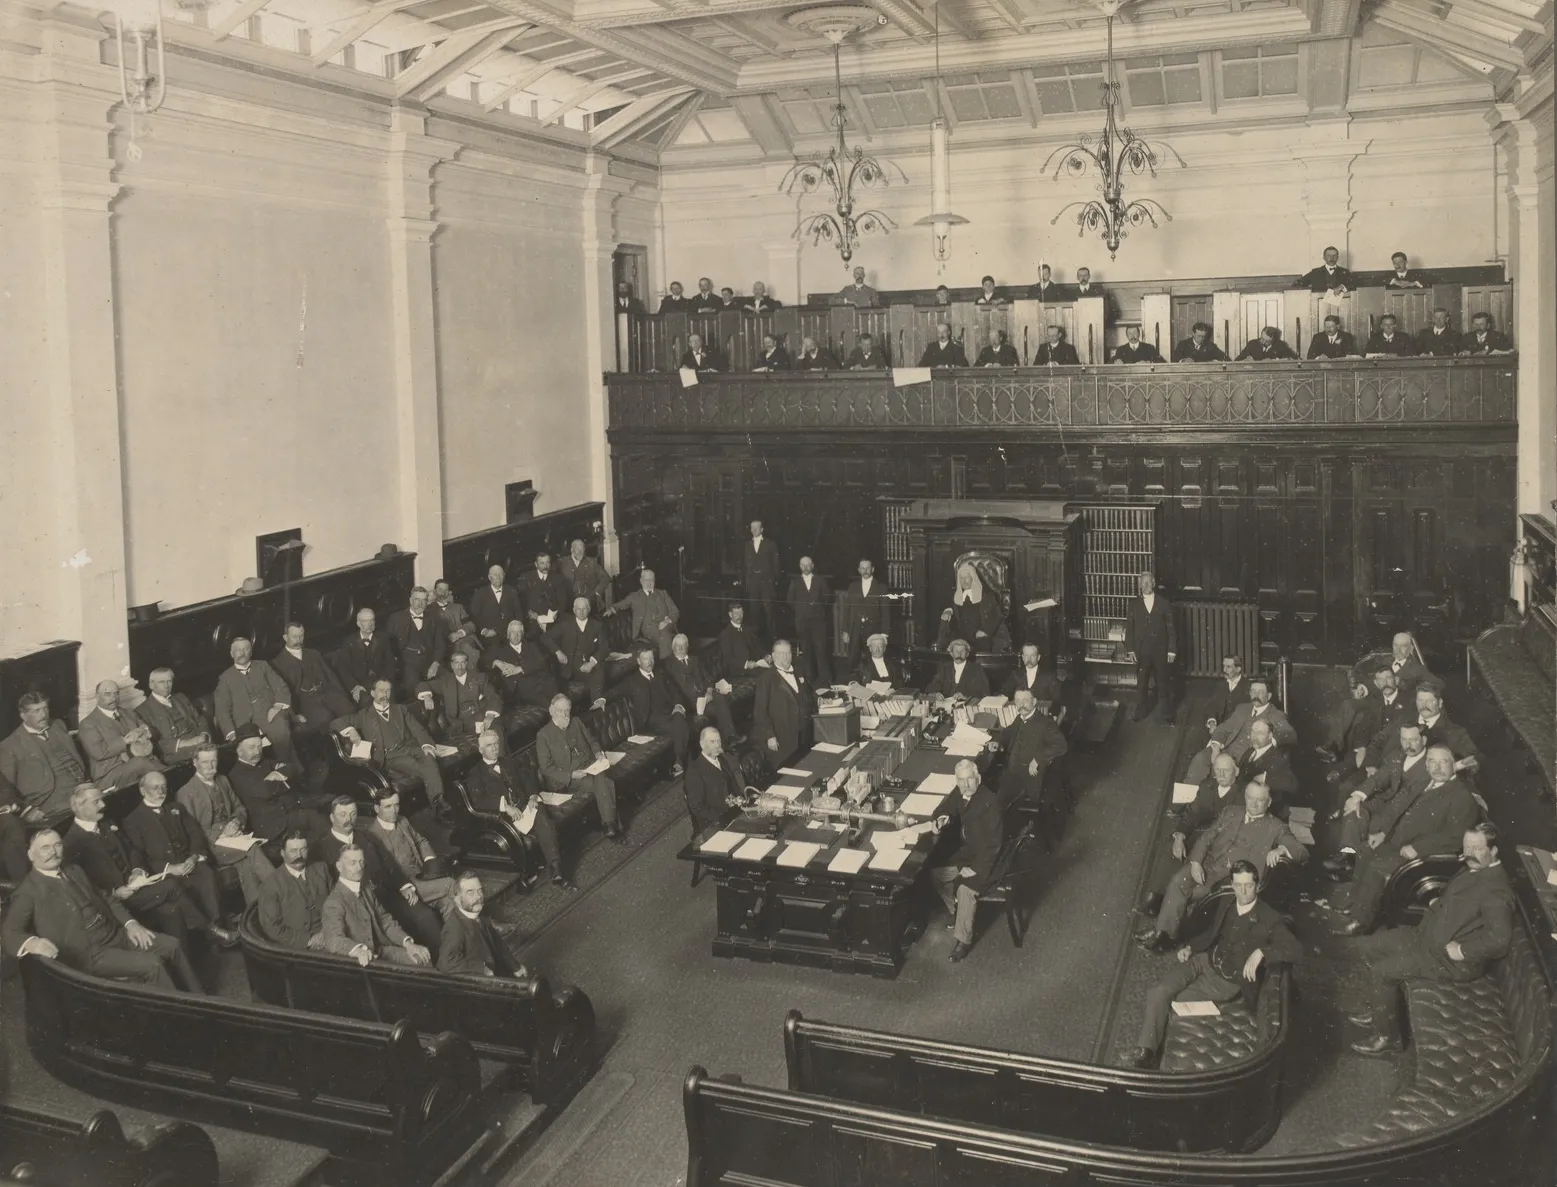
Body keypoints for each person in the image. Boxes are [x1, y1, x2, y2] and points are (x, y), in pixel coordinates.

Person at [1348, 823, 1512, 1056]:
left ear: (1494, 851)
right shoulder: (1474, 867)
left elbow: (1500, 940)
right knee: (1366, 946)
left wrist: (1463, 950)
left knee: (1381, 972)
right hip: (1424, 938)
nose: (1468, 854)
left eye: (1477, 849)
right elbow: (1461, 903)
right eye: (1466, 847)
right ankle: (1379, 1010)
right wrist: (1439, 904)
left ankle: (1388, 1038)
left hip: (1449, 961)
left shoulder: (1497, 891)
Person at [1122, 860, 1300, 1068]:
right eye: (1238, 885)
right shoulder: (1227, 903)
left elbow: (1295, 949)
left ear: (1257, 885)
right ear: (1232, 885)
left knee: (1174, 1002)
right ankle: (1146, 1052)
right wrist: (1191, 947)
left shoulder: (1270, 918)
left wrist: (1262, 952)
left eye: (1248, 886)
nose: (1243, 892)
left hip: (1225, 982)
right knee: (1159, 992)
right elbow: (1212, 933)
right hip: (1204, 960)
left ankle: (1149, 1056)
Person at [2, 828, 199, 992]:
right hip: (89, 953)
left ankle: (204, 1003)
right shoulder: (28, 891)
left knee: (172, 945)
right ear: (30, 854)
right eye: (45, 848)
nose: (53, 852)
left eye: (57, 844)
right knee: (152, 964)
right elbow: (9, 932)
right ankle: (181, 1021)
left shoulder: (74, 870)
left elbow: (107, 899)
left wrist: (131, 924)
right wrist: (32, 943)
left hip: (116, 934)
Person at [1327, 747, 1479, 936]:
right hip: (1397, 841)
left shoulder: (1461, 797)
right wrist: (1382, 832)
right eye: (1432, 761)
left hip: (1423, 854)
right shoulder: (1424, 781)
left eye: (1444, 762)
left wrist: (1417, 848)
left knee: (1377, 867)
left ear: (1453, 765)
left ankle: (1360, 921)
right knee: (1364, 851)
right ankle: (1354, 905)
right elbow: (1397, 807)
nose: (1437, 767)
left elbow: (1455, 838)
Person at [1135, 783, 1304, 951]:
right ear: (1245, 797)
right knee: (1178, 881)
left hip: (1227, 881)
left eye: (1259, 800)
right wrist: (1195, 862)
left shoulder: (1276, 827)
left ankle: (1163, 934)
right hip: (1206, 865)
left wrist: (1281, 849)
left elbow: (1301, 852)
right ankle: (1163, 932)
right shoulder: (1231, 811)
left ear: (1269, 802)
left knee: (1183, 893)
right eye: (1250, 798)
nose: (1253, 804)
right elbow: (1207, 837)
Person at [64, 782, 227, 948]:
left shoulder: (107, 823)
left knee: (173, 909)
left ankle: (186, 956)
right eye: (96, 802)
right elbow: (84, 886)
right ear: (79, 807)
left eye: (101, 800)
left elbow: (132, 850)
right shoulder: (71, 843)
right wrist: (114, 892)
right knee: (171, 885)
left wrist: (137, 869)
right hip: (118, 901)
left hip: (139, 886)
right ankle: (210, 931)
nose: (103, 805)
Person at [311, 796, 443, 949]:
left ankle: (445, 962)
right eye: (343, 814)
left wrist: (405, 886)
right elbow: (323, 889)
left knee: (425, 917)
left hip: (386, 895)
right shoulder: (320, 848)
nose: (349, 819)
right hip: (357, 904)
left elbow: (389, 865)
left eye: (353, 814)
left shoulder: (367, 837)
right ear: (332, 817)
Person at [121, 771, 233, 939]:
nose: (161, 791)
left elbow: (195, 833)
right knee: (178, 888)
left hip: (188, 862)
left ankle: (218, 926)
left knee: (207, 874)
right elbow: (138, 856)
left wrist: (194, 856)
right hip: (163, 872)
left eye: (164, 787)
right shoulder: (133, 820)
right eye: (155, 788)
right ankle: (213, 934)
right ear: (143, 790)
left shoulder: (176, 808)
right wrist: (169, 868)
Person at [464, 728, 576, 890]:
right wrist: (505, 807)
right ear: (481, 750)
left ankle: (556, 868)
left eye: (496, 744)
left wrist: (531, 796)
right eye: (489, 745)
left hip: (524, 807)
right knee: (539, 818)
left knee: (542, 815)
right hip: (504, 817)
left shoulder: (508, 762)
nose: (494, 748)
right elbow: (479, 801)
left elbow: (527, 779)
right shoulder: (475, 773)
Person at [1326, 721, 1432, 879]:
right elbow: (1378, 778)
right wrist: (1357, 796)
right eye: (1403, 740)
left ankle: (1356, 867)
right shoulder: (1397, 755)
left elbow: (1407, 800)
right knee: (1355, 808)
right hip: (1386, 801)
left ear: (1423, 740)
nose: (1407, 745)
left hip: (1409, 810)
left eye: (1413, 740)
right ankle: (1348, 858)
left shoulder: (1431, 763)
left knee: (1375, 822)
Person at [176, 743, 277, 904]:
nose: (210, 766)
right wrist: (221, 833)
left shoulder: (223, 780)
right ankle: (285, 890)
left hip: (235, 838)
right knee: (252, 849)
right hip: (212, 845)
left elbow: (240, 808)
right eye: (205, 762)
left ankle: (258, 913)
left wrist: (236, 822)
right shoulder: (186, 793)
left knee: (245, 865)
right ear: (195, 763)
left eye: (213, 761)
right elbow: (192, 831)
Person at [332, 679, 449, 814]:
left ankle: (438, 802)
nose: (385, 694)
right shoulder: (364, 715)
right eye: (381, 690)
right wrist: (351, 730)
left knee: (429, 757)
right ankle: (439, 806)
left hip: (409, 748)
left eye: (388, 691)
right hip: (391, 757)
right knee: (423, 768)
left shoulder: (400, 709)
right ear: (372, 693)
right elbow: (336, 722)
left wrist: (427, 745)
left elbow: (418, 729)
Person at [929, 760, 1003, 963]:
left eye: (969, 779)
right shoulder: (961, 793)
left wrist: (976, 869)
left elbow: (994, 844)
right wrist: (941, 818)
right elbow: (946, 807)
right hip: (970, 852)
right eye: (961, 780)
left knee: (965, 889)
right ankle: (958, 911)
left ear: (977, 778)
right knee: (936, 874)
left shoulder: (989, 802)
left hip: (987, 860)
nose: (966, 784)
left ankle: (963, 941)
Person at [321, 843, 432, 967]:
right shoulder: (334, 902)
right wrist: (357, 951)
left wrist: (408, 944)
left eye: (361, 862)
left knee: (423, 960)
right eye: (352, 863)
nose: (359, 867)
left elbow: (385, 922)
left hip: (380, 951)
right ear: (339, 866)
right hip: (359, 961)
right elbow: (334, 939)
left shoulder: (367, 890)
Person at [536, 693, 623, 839]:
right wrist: (571, 775)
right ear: (552, 711)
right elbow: (546, 768)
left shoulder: (576, 722)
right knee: (605, 781)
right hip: (569, 778)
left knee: (601, 778)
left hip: (589, 766)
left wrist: (598, 754)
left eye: (567, 710)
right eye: (560, 711)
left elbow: (592, 742)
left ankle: (610, 823)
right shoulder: (543, 735)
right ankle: (612, 824)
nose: (565, 714)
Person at [1182, 676, 1294, 784]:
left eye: (1260, 692)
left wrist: (1268, 742)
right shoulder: (1242, 708)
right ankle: (1190, 799)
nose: (1255, 695)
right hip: (1224, 750)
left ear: (1269, 696)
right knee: (1200, 759)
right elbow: (1223, 728)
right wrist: (1215, 748)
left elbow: (1290, 734)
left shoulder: (1276, 715)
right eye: (1253, 691)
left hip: (1244, 760)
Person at [1, 693, 94, 817]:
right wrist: (26, 811)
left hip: (83, 787)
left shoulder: (58, 725)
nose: (44, 715)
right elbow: (6, 788)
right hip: (50, 801)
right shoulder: (10, 745)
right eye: (36, 711)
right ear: (23, 716)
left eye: (45, 708)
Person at [214, 637, 300, 769]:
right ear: (232, 653)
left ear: (251, 652)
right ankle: (283, 772)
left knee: (281, 733)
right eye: (238, 650)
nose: (242, 653)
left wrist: (277, 706)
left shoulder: (263, 666)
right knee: (254, 746)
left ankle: (287, 771)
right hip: (245, 723)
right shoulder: (225, 678)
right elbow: (222, 711)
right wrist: (232, 734)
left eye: (246, 649)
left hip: (270, 713)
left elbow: (280, 687)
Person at [228, 731, 327, 843]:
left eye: (260, 746)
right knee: (319, 822)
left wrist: (276, 775)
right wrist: (283, 779)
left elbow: (291, 767)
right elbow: (265, 792)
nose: (257, 751)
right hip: (274, 825)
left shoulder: (265, 762)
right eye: (251, 747)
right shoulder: (236, 774)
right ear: (239, 751)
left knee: (322, 822)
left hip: (292, 812)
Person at [364, 790, 454, 907]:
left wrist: (430, 862)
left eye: (396, 805)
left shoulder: (403, 821)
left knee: (448, 904)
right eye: (388, 806)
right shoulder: (372, 835)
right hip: (405, 885)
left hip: (423, 875)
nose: (394, 811)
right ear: (377, 809)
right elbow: (382, 872)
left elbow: (420, 841)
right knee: (450, 884)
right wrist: (405, 887)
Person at [76, 680, 163, 791]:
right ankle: (170, 776)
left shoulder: (129, 713)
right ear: (97, 697)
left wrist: (145, 730)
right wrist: (125, 741)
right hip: (109, 774)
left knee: (150, 761)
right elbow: (99, 752)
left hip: (138, 765)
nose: (113, 698)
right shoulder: (88, 724)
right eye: (108, 694)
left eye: (116, 693)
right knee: (141, 763)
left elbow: (151, 731)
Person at [439, 871, 527, 977]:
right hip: (481, 982)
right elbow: (446, 963)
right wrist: (482, 969)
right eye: (470, 892)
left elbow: (499, 944)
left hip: (498, 972)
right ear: (457, 899)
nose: (478, 897)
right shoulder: (454, 928)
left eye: (480, 890)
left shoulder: (480, 912)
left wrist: (515, 966)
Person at [270, 624, 355, 732]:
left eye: (301, 636)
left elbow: (331, 677)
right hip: (304, 703)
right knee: (324, 719)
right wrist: (294, 715)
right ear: (285, 637)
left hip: (326, 693)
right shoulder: (278, 663)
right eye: (294, 636)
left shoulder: (313, 654)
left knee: (347, 708)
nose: (298, 640)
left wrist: (341, 695)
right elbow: (282, 694)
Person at [418, 649, 503, 758]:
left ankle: (501, 765)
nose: (460, 666)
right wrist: (427, 696)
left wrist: (490, 715)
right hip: (459, 725)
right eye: (457, 663)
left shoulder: (479, 677)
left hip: (480, 719)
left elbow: (494, 697)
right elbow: (422, 685)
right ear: (452, 665)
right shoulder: (445, 682)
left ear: (467, 663)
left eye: (463, 662)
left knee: (495, 734)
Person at [256, 829, 331, 950]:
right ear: (282, 853)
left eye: (303, 849)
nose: (299, 855)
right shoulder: (270, 885)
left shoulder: (321, 869)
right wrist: (309, 941)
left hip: (331, 933)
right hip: (300, 948)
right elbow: (272, 928)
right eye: (293, 851)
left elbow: (337, 904)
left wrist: (328, 932)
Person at [997, 690, 1068, 812]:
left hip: (1028, 779)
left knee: (997, 804)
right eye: (1018, 701)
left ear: (1034, 702)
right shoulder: (1020, 718)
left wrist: (1038, 759)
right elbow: (1009, 732)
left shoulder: (1045, 723)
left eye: (1025, 700)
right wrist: (997, 742)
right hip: (1012, 772)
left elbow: (1061, 745)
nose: (1021, 704)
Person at [624, 646, 690, 776]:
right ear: (638, 661)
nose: (649, 662)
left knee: (679, 718)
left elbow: (675, 691)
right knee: (681, 725)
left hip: (669, 714)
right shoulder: (632, 680)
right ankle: (682, 761)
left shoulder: (661, 673)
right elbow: (615, 692)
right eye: (645, 659)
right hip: (651, 721)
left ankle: (679, 762)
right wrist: (602, 699)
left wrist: (678, 705)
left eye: (651, 658)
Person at [665, 633, 739, 746]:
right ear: (673, 647)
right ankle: (723, 743)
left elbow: (708, 677)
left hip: (704, 698)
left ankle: (731, 737)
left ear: (687, 646)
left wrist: (709, 691)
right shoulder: (669, 665)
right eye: (677, 646)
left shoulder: (695, 660)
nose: (680, 649)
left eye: (683, 645)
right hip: (689, 703)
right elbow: (673, 689)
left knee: (718, 698)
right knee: (717, 710)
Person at [1124, 571, 1177, 724]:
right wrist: (1131, 649)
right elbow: (1130, 628)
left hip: (1161, 650)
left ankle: (1167, 714)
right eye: (1143, 583)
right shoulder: (1133, 604)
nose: (1145, 585)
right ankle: (1140, 711)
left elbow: (1171, 628)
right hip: (1142, 651)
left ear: (1153, 584)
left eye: (1148, 582)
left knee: (1163, 683)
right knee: (1142, 683)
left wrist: (1172, 650)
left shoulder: (1163, 603)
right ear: (1140, 585)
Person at [1170, 752, 1243, 857]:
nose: (1221, 774)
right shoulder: (1207, 785)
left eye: (1226, 770)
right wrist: (1179, 837)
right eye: (1218, 770)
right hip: (1201, 840)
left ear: (1236, 771)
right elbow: (1191, 814)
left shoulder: (1244, 793)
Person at [752, 641, 812, 768]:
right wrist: (769, 735)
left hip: (803, 732)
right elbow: (760, 711)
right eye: (781, 654)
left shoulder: (798, 672)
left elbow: (807, 694)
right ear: (774, 656)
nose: (786, 657)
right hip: (782, 736)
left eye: (788, 653)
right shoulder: (766, 679)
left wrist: (819, 700)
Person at [137, 668, 214, 765]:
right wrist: (187, 743)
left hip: (199, 741)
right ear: (151, 684)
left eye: (169, 681)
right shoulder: (142, 710)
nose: (166, 685)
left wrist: (204, 734)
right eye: (162, 682)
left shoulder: (181, 697)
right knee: (207, 755)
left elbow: (199, 719)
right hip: (175, 752)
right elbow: (155, 742)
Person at [550, 596, 609, 710]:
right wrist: (558, 652)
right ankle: (598, 701)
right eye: (578, 609)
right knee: (599, 670)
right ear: (573, 610)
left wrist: (591, 662)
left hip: (588, 663)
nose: (581, 612)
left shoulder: (597, 625)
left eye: (584, 609)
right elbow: (545, 637)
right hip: (570, 666)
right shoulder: (565, 624)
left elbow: (605, 647)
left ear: (589, 609)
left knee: (599, 668)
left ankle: (597, 703)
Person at [387, 587, 446, 701]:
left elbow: (440, 644)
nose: (420, 604)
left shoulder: (433, 618)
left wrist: (435, 663)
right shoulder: (396, 618)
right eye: (417, 599)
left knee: (450, 680)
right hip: (407, 664)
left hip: (429, 662)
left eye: (424, 600)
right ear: (410, 600)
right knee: (414, 687)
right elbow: (388, 646)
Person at [485, 619, 559, 709]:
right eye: (513, 632)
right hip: (520, 688)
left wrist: (520, 668)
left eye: (519, 632)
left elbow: (541, 662)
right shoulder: (501, 650)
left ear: (522, 634)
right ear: (508, 635)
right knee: (548, 703)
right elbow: (483, 660)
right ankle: (554, 710)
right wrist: (497, 662)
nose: (516, 635)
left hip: (541, 681)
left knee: (557, 695)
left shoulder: (532, 646)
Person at [331, 609, 397, 708]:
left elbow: (390, 663)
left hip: (380, 682)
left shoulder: (383, 639)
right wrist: (354, 686)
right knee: (366, 704)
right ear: (358, 623)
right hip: (360, 685)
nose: (370, 624)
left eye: (372, 620)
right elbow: (343, 669)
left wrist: (385, 682)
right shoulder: (349, 642)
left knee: (391, 704)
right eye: (366, 621)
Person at [607, 568, 679, 658]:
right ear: (641, 581)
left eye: (651, 580)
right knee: (666, 637)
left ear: (655, 581)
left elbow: (675, 611)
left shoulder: (663, 594)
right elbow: (621, 604)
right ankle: (668, 664)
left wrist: (668, 621)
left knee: (666, 634)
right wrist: (611, 609)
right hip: (647, 630)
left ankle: (669, 664)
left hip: (666, 625)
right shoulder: (634, 596)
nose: (649, 583)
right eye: (646, 580)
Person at [684, 726, 741, 838]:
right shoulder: (695, 771)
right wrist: (723, 817)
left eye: (719, 741)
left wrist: (739, 799)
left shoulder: (722, 760)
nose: (717, 745)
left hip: (733, 815)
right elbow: (698, 808)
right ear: (702, 744)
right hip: (714, 824)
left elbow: (734, 786)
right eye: (712, 742)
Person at [786, 556, 832, 684]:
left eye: (808, 565)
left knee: (821, 649)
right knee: (806, 650)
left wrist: (817, 608)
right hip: (802, 621)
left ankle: (825, 679)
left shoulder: (820, 580)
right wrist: (801, 609)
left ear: (812, 566)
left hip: (818, 621)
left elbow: (827, 598)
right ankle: (808, 679)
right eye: (803, 565)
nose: (806, 568)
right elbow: (790, 600)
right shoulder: (795, 582)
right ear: (800, 566)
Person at [937, 560, 1002, 650]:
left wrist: (985, 631)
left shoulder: (987, 595)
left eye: (967, 577)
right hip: (961, 635)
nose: (964, 581)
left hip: (979, 635)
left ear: (973, 578)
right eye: (961, 578)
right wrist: (948, 610)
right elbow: (950, 605)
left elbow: (996, 615)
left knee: (984, 645)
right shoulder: (956, 595)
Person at [840, 560, 891, 671]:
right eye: (862, 568)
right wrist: (845, 630)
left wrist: (884, 634)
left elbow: (885, 612)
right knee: (852, 659)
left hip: (874, 630)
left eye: (868, 568)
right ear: (859, 570)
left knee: (872, 660)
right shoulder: (853, 587)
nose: (865, 570)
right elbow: (847, 609)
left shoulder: (881, 587)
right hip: (855, 629)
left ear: (872, 569)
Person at [1237, 718, 1298, 810]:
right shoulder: (1249, 752)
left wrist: (1265, 778)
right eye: (1253, 732)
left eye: (1260, 733)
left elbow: (1293, 784)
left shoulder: (1278, 758)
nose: (1254, 736)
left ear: (1270, 736)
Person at [518, 551, 570, 639]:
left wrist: (558, 613)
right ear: (536, 564)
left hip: (552, 619)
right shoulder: (526, 578)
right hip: (533, 620)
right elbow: (521, 600)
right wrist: (528, 612)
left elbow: (563, 600)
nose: (545, 566)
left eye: (547, 563)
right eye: (542, 563)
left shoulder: (557, 578)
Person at [743, 520, 781, 639]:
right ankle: (755, 638)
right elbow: (745, 565)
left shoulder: (770, 544)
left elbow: (776, 564)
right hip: (753, 584)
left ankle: (772, 637)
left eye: (756, 528)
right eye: (752, 528)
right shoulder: (747, 545)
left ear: (762, 529)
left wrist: (773, 580)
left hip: (767, 584)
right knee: (754, 611)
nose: (754, 530)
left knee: (769, 610)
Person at [718, 601, 769, 687]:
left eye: (741, 613)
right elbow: (727, 659)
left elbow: (758, 645)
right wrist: (746, 664)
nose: (739, 616)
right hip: (738, 672)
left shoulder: (747, 629)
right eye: (736, 613)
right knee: (768, 675)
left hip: (754, 667)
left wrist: (766, 655)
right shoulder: (725, 634)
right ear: (730, 614)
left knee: (774, 670)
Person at [469, 564, 522, 647]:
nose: (498, 577)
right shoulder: (480, 593)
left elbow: (518, 614)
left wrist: (514, 630)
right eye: (495, 574)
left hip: (508, 632)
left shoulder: (512, 591)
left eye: (500, 574)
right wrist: (484, 630)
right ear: (489, 577)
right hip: (489, 634)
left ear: (504, 576)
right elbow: (475, 616)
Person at [558, 539, 613, 615]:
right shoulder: (562, 563)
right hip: (569, 606)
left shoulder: (592, 562)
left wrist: (596, 593)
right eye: (578, 549)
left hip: (589, 604)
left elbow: (606, 578)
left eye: (582, 549)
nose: (581, 552)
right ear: (571, 550)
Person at [1204, 654, 1250, 734]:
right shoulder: (1219, 686)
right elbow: (1213, 706)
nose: (1224, 670)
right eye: (1224, 666)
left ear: (1238, 669)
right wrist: (1212, 723)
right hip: (1221, 729)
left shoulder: (1248, 687)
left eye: (1228, 667)